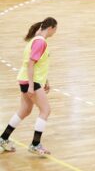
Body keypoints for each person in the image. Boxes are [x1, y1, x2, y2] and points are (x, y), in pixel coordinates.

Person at [0, 17, 57, 156]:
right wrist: (32, 86)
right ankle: (35, 144)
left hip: (26, 80)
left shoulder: (36, 40)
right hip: (31, 81)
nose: (55, 32)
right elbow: (31, 63)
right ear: (51, 28)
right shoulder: (40, 42)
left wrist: (46, 80)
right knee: (46, 110)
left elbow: (38, 64)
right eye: (55, 29)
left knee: (25, 110)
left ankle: (3, 139)